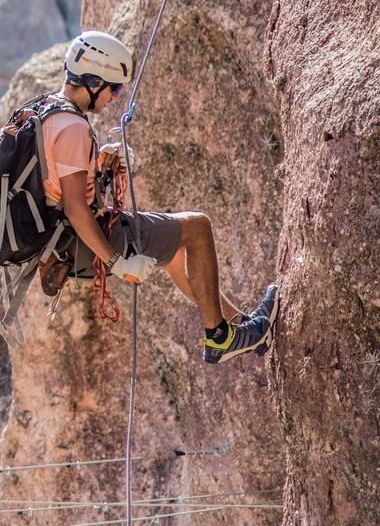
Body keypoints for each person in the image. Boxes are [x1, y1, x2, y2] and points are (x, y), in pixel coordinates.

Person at [38, 30, 280, 364]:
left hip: (57, 239)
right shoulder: (73, 128)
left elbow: (58, 178)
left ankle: (244, 330)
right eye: (114, 88)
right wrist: (116, 262)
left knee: (174, 255)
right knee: (197, 228)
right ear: (94, 81)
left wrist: (101, 160)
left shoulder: (47, 110)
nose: (116, 97)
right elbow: (75, 206)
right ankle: (221, 337)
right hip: (81, 238)